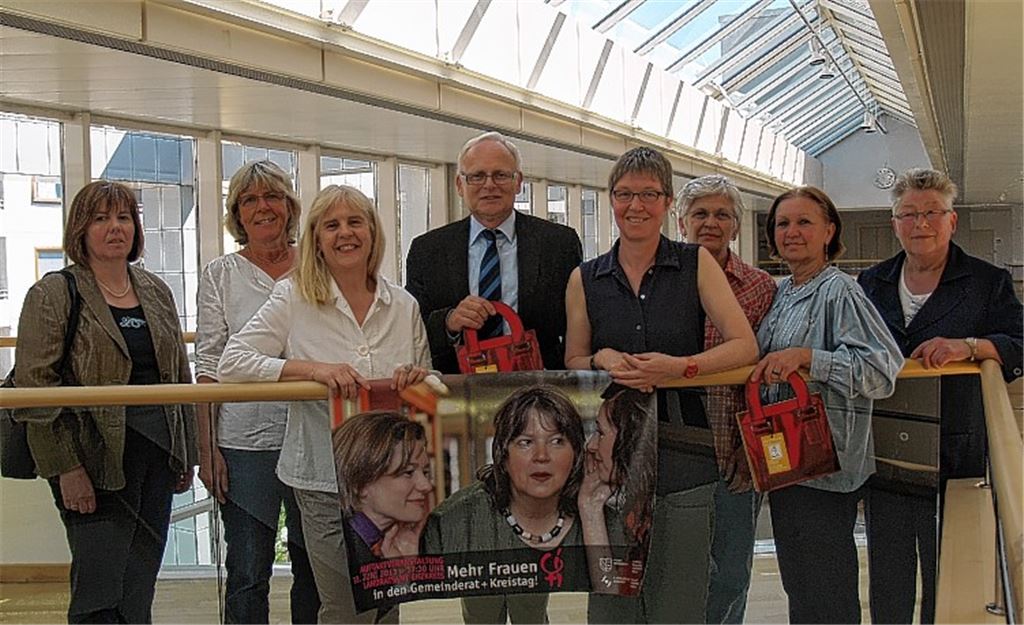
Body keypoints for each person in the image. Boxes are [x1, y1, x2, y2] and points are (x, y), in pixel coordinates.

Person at [218, 184, 431, 624]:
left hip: (391, 484)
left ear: (373, 233)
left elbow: (428, 385)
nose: (344, 234)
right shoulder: (292, 296)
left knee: (386, 600)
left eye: (355, 222)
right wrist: (310, 370)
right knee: (342, 604)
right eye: (331, 225)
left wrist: (419, 380)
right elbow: (232, 363)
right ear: (315, 238)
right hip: (321, 481)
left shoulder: (404, 305)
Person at [564, 146, 758, 623]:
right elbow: (572, 360)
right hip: (613, 462)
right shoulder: (585, 277)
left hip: (686, 454)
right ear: (610, 200)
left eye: (649, 194)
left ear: (668, 202)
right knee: (612, 603)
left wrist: (681, 367)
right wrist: (600, 358)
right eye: (625, 194)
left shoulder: (696, 264)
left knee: (680, 599)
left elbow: (744, 347)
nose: (636, 205)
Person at [13, 180, 196, 623]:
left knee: (139, 584)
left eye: (124, 217)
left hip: (156, 454)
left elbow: (179, 376)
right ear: (81, 228)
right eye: (101, 218)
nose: (115, 228)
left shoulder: (155, 291)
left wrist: (186, 453)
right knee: (99, 589)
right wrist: (66, 468)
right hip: (92, 461)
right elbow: (34, 389)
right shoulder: (54, 293)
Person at [857, 168, 1023, 624]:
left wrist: (969, 347)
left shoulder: (987, 282)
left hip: (957, 447)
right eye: (908, 213)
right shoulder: (871, 282)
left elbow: (1019, 341)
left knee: (946, 569)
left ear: (952, 221)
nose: (920, 223)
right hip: (887, 447)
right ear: (894, 223)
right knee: (887, 572)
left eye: (932, 212)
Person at [751, 186, 903, 624]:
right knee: (800, 586)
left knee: (828, 589)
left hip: (827, 462)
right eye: (783, 224)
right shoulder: (782, 293)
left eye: (804, 223)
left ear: (828, 231)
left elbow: (880, 368)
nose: (792, 232)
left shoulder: (841, 292)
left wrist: (810, 359)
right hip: (786, 462)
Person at [195, 160, 318, 623]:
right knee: (248, 569)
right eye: (250, 199)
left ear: (289, 206)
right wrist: (207, 448)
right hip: (244, 443)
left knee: (315, 566)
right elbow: (208, 362)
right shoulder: (220, 275)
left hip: (313, 435)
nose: (263, 207)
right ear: (237, 214)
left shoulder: (317, 263)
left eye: (272, 196)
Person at [676, 174, 776, 624]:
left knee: (732, 571)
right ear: (681, 223)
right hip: (673, 455)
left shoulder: (760, 289)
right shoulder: (661, 284)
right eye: (700, 214)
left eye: (722, 215)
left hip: (735, 452)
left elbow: (765, 376)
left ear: (736, 226)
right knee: (678, 573)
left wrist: (748, 446)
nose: (710, 223)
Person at [405, 131, 582, 374]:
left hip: (538, 388)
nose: (489, 185)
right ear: (460, 185)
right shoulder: (427, 251)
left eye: (500, 175)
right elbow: (413, 328)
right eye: (477, 176)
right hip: (458, 391)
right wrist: (450, 322)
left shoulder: (559, 244)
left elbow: (577, 326)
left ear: (518, 182)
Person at [420, 384, 588, 624]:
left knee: (531, 614)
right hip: (480, 569)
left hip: (533, 576)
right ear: (502, 453)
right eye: (525, 442)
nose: (542, 455)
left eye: (557, 441)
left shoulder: (584, 509)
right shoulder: (460, 516)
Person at [577, 384, 656, 596]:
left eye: (600, 433)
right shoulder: (633, 507)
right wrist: (590, 507)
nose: (591, 446)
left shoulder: (663, 514)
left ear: (631, 439)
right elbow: (613, 593)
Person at [333, 411, 432, 562]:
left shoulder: (409, 539)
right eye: (408, 472)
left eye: (425, 472)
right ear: (361, 483)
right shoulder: (335, 550)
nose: (426, 486)